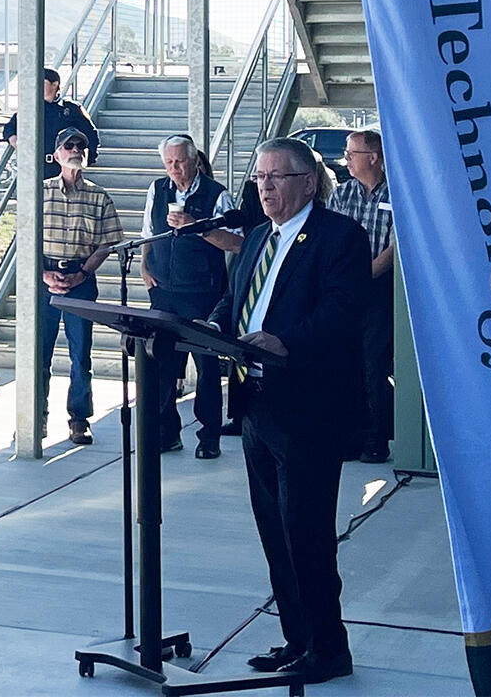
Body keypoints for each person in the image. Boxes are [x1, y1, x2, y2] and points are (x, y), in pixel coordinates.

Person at [208, 137, 370, 684]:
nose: (266, 187)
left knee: (307, 533)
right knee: (274, 531)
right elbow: (237, 303)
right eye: (259, 178)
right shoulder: (256, 238)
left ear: (307, 182)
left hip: (309, 408)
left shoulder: (339, 237)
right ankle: (297, 638)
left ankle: (329, 647)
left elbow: (342, 313)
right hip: (256, 405)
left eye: (277, 177)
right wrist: (210, 327)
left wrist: (286, 344)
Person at [139, 134, 241, 459]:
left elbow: (237, 242)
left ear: (195, 160)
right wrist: (144, 268)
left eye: (180, 162)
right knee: (162, 364)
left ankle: (209, 436)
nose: (175, 169)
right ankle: (167, 432)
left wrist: (197, 226)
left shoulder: (217, 195)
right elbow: (147, 233)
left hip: (203, 293)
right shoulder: (157, 190)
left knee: (207, 368)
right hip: (164, 291)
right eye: (169, 163)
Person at [41, 127, 124, 444]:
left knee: (80, 355)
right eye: (69, 145)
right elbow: (26, 237)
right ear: (57, 153)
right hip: (44, 277)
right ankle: (37, 417)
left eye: (81, 146)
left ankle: (79, 419)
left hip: (80, 280)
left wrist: (81, 274)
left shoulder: (100, 197)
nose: (76, 149)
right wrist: (44, 275)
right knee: (40, 353)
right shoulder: (41, 191)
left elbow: (107, 244)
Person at [328, 130, 395, 463]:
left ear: (373, 157)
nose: (346, 159)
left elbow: (395, 248)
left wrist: (361, 277)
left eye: (352, 153)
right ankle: (348, 433)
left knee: (373, 365)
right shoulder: (342, 195)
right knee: (344, 363)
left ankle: (376, 437)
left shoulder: (398, 192)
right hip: (343, 292)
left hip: (379, 290)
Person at [3, 67, 100, 180]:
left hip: (64, 168)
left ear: (54, 85)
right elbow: (10, 127)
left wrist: (87, 160)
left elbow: (91, 135)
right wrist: (14, 139)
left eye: (41, 82)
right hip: (36, 168)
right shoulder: (30, 109)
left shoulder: (72, 109)